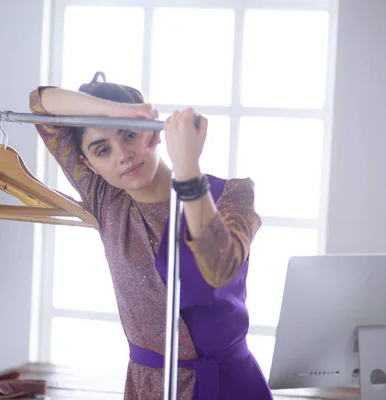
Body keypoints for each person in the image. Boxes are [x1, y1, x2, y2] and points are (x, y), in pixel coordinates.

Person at [29, 71, 273, 400]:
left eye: (130, 135)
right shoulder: (105, 199)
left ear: (154, 132)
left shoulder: (230, 195)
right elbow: (39, 105)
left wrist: (188, 168)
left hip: (228, 386)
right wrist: (111, 110)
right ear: (88, 163)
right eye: (103, 150)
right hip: (149, 388)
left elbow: (218, 267)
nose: (122, 154)